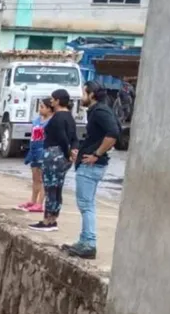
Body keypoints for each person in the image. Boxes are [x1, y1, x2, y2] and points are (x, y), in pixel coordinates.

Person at [62, 80, 121, 259]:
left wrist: (96, 153)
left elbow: (114, 133)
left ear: (91, 94)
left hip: (91, 165)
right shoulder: (98, 111)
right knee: (86, 204)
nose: (81, 96)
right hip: (90, 162)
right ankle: (84, 240)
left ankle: (89, 243)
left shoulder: (100, 111)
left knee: (86, 205)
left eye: (84, 92)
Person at [29, 89, 77, 234]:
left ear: (57, 101)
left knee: (50, 188)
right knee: (58, 188)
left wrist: (67, 151)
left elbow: (62, 137)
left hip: (54, 154)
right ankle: (53, 218)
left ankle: (47, 220)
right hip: (63, 155)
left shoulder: (57, 118)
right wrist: (73, 151)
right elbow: (74, 137)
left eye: (52, 99)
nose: (50, 102)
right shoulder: (70, 117)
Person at [18, 98, 52, 212]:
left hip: (43, 150)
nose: (40, 109)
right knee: (35, 178)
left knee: (42, 179)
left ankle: (39, 203)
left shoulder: (51, 122)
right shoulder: (37, 120)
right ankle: (33, 200)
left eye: (42, 107)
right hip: (34, 149)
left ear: (49, 109)